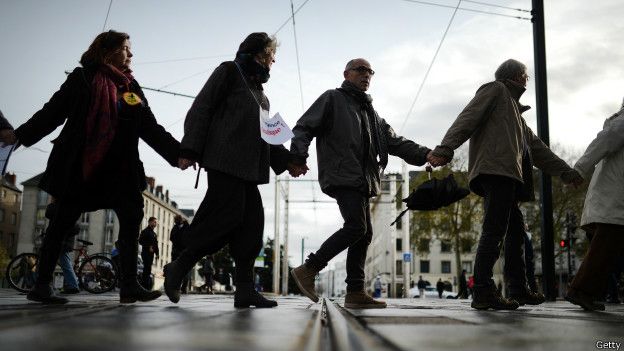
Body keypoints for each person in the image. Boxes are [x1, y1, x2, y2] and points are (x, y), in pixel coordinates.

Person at [14, 30, 181, 304]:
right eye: (126, 48)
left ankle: (129, 286)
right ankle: (41, 285)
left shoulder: (131, 88)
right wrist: (19, 135)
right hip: (82, 167)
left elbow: (150, 127)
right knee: (61, 223)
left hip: (121, 170)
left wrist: (179, 155)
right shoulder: (82, 78)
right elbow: (51, 113)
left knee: (130, 220)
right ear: (107, 51)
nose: (131, 54)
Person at [164, 32, 304, 308]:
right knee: (224, 219)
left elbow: (268, 136)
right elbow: (201, 108)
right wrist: (190, 149)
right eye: (271, 56)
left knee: (251, 227)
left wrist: (288, 161)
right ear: (258, 54)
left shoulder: (261, 94)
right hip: (224, 162)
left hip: (249, 170)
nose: (273, 62)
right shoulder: (229, 71)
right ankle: (178, 266)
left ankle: (244, 290)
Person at [428, 59, 583, 310]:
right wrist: (445, 149)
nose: (527, 80)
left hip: (506, 174)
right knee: (495, 230)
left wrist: (567, 173)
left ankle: (518, 289)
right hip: (495, 170)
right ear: (518, 76)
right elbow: (467, 118)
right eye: (525, 75)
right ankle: (483, 291)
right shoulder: (495, 90)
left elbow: (539, 151)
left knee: (515, 233)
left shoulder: (516, 115)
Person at [289, 58, 433, 309]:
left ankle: (355, 291)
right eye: (360, 70)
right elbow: (303, 127)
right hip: (342, 173)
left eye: (370, 72)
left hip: (362, 178)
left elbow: (395, 142)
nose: (366, 75)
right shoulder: (332, 99)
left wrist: (427, 154)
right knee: (356, 227)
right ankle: (309, 269)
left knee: (364, 233)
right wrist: (298, 156)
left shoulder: (371, 113)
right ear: (346, 73)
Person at [565, 97, 624, 311]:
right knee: (604, 249)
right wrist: (579, 169)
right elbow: (603, 141)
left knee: (609, 251)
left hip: (612, 201)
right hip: (614, 201)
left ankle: (588, 292)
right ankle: (580, 290)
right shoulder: (622, 123)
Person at [139, 217, 159, 289]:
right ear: (150, 222)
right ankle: (144, 285)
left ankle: (146, 286)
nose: (155, 224)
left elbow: (156, 244)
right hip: (145, 253)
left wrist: (157, 254)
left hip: (151, 254)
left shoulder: (154, 234)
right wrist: (148, 246)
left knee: (148, 269)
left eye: (156, 222)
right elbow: (140, 241)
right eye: (154, 222)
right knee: (146, 269)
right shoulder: (145, 231)